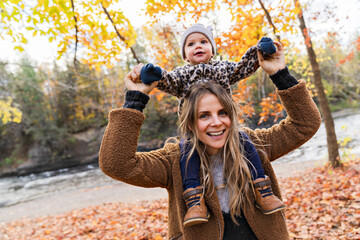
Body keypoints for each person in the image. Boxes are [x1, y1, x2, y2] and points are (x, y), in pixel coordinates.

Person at [99, 42, 321, 239]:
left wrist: (280, 74)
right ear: (190, 123)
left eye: (223, 112)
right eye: (204, 115)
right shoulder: (173, 162)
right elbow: (116, 163)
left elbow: (306, 124)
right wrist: (135, 100)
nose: (216, 122)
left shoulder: (254, 145)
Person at [135, 23, 285, 227]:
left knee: (246, 142)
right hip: (193, 134)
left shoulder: (222, 68)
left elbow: (244, 66)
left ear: (212, 50)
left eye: (204, 42)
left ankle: (262, 189)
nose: (198, 46)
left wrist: (260, 50)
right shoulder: (182, 75)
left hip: (229, 131)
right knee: (188, 154)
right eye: (191, 44)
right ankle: (195, 200)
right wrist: (152, 73)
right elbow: (165, 80)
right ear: (185, 55)